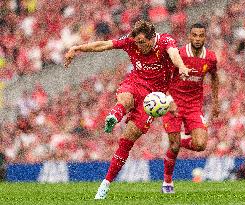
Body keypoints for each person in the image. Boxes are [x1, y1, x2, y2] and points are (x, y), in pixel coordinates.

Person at [64, 20, 189, 199]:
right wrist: (77, 48)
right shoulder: (131, 42)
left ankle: (106, 183)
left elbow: (174, 54)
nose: (139, 46)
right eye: (137, 42)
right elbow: (105, 44)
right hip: (135, 83)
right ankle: (115, 115)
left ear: (152, 38)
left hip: (153, 98)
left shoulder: (164, 41)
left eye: (143, 43)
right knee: (125, 98)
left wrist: (182, 66)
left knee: (126, 141)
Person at [162, 22, 219, 193]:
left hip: (194, 106)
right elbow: (164, 76)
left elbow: (215, 77)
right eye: (194, 35)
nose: (197, 38)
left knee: (201, 144)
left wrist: (215, 102)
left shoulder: (210, 57)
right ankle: (167, 182)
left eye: (201, 35)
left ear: (205, 37)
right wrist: (168, 99)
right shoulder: (178, 54)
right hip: (174, 104)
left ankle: (178, 141)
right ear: (189, 36)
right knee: (173, 147)